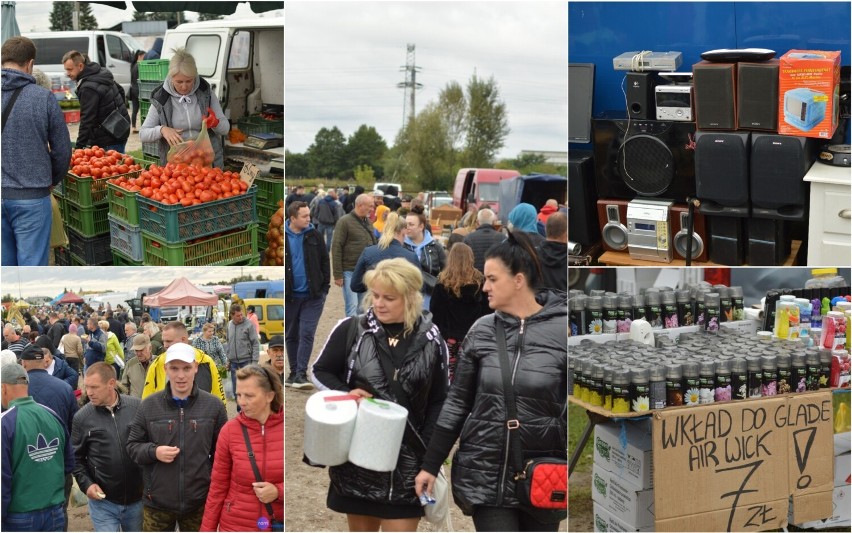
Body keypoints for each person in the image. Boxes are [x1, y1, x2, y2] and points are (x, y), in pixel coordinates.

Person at [415, 231, 568, 532]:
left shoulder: (562, 331)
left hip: (542, 474)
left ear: (519, 280)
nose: (484, 286)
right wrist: (430, 465)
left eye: (492, 279)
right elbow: (457, 404)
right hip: (485, 473)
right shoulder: (482, 331)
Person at [312, 258, 449, 532]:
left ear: (411, 298)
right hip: (358, 460)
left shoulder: (433, 340)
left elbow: (439, 402)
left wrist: (431, 463)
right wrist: (346, 393)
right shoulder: (352, 329)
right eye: (375, 295)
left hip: (408, 462)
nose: (379, 303)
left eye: (389, 297)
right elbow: (319, 372)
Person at [127, 343, 228, 531]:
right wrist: (154, 451)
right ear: (165, 369)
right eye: (174, 368)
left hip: (198, 503)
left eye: (186, 368)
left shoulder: (214, 406)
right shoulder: (148, 406)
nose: (181, 375)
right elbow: (132, 447)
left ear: (196, 368)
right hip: (156, 504)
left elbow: (223, 456)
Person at [1, 36, 73, 267]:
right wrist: (50, 179)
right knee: (32, 266)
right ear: (30, 64)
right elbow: (62, 150)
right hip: (32, 196)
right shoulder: (43, 98)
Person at [200, 365, 283, 532]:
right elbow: (217, 487)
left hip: (276, 522)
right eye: (238, 395)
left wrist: (279, 491)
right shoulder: (229, 431)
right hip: (235, 525)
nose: (241, 402)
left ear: (270, 396)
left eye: (249, 396)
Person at [2, 362, 74, 532]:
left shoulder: (4, 423)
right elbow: (69, 463)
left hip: (18, 516)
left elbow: (2, 479)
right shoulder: (52, 415)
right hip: (54, 512)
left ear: (3, 388)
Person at [71, 362, 143, 532]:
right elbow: (75, 458)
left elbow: (149, 447)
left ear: (111, 383)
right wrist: (87, 484)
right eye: (86, 387)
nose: (89, 392)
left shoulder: (138, 408)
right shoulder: (82, 418)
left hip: (138, 501)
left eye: (94, 387)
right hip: (103, 503)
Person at [140, 48, 230, 168]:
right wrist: (162, 130)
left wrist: (216, 123)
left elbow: (225, 129)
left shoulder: (205, 93)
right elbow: (143, 134)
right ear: (171, 78)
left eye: (189, 81)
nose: (184, 86)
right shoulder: (161, 99)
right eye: (179, 82)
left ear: (195, 76)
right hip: (177, 167)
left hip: (207, 162)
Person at [429, 243, 491, 383]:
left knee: (449, 372)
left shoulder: (443, 283)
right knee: (470, 372)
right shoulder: (480, 282)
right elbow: (488, 310)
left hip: (449, 336)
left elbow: (435, 312)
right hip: (473, 336)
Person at [284, 201, 329, 389]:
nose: (309, 219)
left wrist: (324, 288)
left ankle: (302, 373)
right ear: (292, 218)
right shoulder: (282, 237)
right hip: (291, 296)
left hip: (313, 296)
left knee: (307, 332)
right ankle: (293, 372)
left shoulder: (315, 235)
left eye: (309, 215)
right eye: (304, 216)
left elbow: (324, 262)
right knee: (291, 334)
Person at [62, 50, 130, 153]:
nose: (68, 73)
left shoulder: (88, 88)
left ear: (80, 66)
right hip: (120, 128)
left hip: (107, 138)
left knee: (112, 167)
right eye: (66, 70)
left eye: (70, 70)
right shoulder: (101, 71)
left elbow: (87, 119)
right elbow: (120, 90)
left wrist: (79, 148)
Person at [142, 321, 225, 404]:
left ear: (183, 340)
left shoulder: (206, 361)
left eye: (169, 341)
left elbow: (219, 395)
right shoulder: (157, 364)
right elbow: (146, 400)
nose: (165, 345)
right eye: (163, 341)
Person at [350, 211, 420, 294]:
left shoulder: (368, 252)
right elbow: (419, 289)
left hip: (376, 302)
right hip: (400, 303)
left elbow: (355, 286)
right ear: (403, 232)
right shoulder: (411, 256)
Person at [332, 194, 378, 317]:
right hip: (349, 271)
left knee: (364, 308)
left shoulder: (368, 222)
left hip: (366, 272)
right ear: (359, 205)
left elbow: (373, 243)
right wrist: (338, 274)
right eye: (370, 206)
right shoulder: (344, 221)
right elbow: (336, 247)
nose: (372, 209)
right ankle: (351, 334)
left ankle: (362, 334)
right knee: (351, 308)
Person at [404, 206, 447, 309]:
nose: (407, 227)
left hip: (429, 295)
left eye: (411, 224)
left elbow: (446, 269)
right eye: (405, 224)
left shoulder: (436, 246)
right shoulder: (401, 245)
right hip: (405, 295)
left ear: (421, 226)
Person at [225, 304, 261, 402]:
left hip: (246, 362)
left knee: (248, 390)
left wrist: (254, 362)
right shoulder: (229, 325)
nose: (241, 317)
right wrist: (228, 360)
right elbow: (228, 343)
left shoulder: (249, 324)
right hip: (233, 364)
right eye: (238, 315)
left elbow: (255, 343)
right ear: (232, 316)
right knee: (236, 391)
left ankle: (248, 413)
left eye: (241, 314)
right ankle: (240, 413)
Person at [463, 208, 505, 274]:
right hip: (495, 278)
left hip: (475, 279)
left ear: (477, 222)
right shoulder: (502, 238)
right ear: (494, 222)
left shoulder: (469, 238)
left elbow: (464, 262)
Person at [537, 212, 568, 293]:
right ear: (566, 234)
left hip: (539, 303)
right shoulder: (572, 261)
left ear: (545, 229)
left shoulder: (531, 255)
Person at [120, 334, 155, 398]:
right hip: (136, 405)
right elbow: (124, 386)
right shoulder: (130, 363)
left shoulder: (158, 363)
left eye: (141, 350)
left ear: (150, 348)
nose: (138, 354)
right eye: (136, 350)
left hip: (154, 405)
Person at [129, 49, 146, 133]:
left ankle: (133, 127)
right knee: (143, 109)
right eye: (144, 56)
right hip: (138, 90)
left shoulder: (133, 65)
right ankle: (144, 127)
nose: (145, 58)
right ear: (140, 56)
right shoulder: (140, 65)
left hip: (133, 90)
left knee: (135, 110)